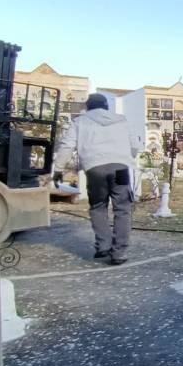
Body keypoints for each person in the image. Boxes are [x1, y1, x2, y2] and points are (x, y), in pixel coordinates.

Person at [54, 93, 142, 265]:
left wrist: (58, 169)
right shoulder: (122, 120)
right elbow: (134, 146)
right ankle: (119, 253)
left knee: (98, 206)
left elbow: (67, 145)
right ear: (106, 106)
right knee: (123, 208)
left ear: (87, 107)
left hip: (95, 168)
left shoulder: (79, 121)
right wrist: (125, 157)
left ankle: (103, 247)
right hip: (120, 168)